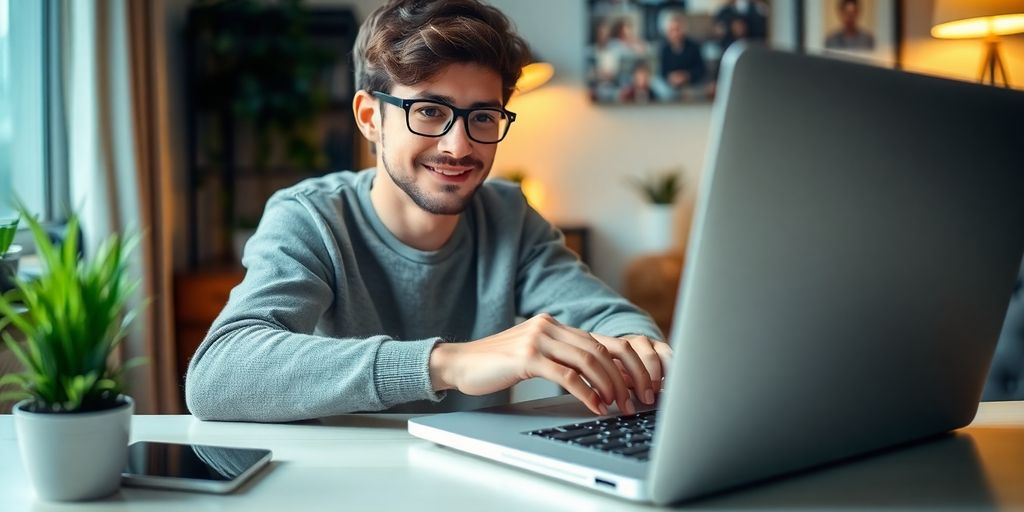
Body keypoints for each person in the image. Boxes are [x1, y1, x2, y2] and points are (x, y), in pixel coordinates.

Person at [185, 0, 671, 423]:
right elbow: (217, 375)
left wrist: (635, 349)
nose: (458, 147)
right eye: (429, 111)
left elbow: (606, 316)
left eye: (482, 116)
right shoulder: (311, 218)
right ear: (370, 117)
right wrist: (447, 363)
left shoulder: (508, 216)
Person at [658, 13, 706, 91]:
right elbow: (662, 72)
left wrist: (686, 76)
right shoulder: (664, 49)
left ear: (683, 30)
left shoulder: (694, 47)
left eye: (677, 29)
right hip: (670, 87)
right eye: (671, 30)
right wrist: (671, 77)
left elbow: (701, 70)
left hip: (692, 85)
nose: (675, 34)